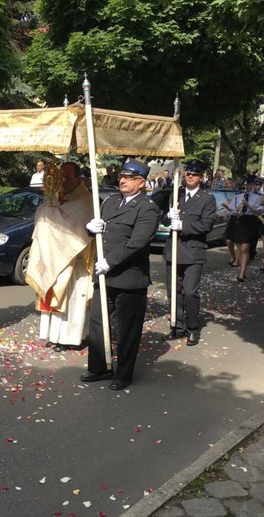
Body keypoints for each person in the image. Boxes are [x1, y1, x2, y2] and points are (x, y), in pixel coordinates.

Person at [81, 159, 158, 391]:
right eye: (121, 177)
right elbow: (102, 232)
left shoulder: (148, 207)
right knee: (97, 323)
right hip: (105, 276)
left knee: (127, 329)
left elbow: (138, 242)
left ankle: (123, 374)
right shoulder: (111, 202)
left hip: (129, 278)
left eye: (129, 178)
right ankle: (99, 367)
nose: (122, 181)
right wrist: (91, 228)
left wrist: (109, 262)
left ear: (141, 182)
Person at [26, 162, 95, 352]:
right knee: (56, 295)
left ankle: (71, 338)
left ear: (78, 179)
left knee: (72, 300)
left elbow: (71, 220)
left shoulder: (85, 199)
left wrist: (50, 211)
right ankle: (55, 336)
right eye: (60, 176)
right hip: (55, 257)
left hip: (75, 261)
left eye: (67, 177)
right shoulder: (57, 198)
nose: (63, 181)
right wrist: (48, 206)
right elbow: (43, 217)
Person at [162, 159, 217, 346]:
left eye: (194, 174)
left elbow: (206, 225)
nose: (190, 176)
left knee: (191, 292)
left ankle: (193, 328)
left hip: (193, 252)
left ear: (201, 178)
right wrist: (168, 217)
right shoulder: (176, 195)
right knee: (174, 292)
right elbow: (164, 217)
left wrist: (183, 225)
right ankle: (177, 326)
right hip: (174, 250)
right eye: (188, 173)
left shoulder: (207, 199)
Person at [233, 176, 263, 282]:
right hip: (240, 220)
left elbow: (259, 212)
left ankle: (242, 273)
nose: (247, 186)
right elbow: (233, 210)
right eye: (245, 184)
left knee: (245, 248)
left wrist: (248, 205)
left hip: (251, 221)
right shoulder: (238, 196)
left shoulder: (257, 197)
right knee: (240, 248)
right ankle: (243, 270)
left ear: (252, 185)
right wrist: (235, 207)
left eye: (249, 184)